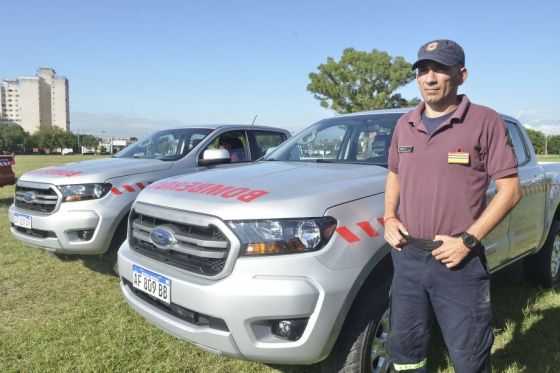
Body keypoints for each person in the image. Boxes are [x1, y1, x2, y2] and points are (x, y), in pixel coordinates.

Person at [384, 39, 522, 372]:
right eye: (423, 70)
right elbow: (394, 174)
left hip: (457, 260)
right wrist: (389, 217)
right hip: (408, 257)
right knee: (405, 350)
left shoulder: (484, 121)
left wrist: (468, 241)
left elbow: (510, 190)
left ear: (461, 75)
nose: (429, 78)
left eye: (440, 69)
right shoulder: (405, 124)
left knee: (469, 353)